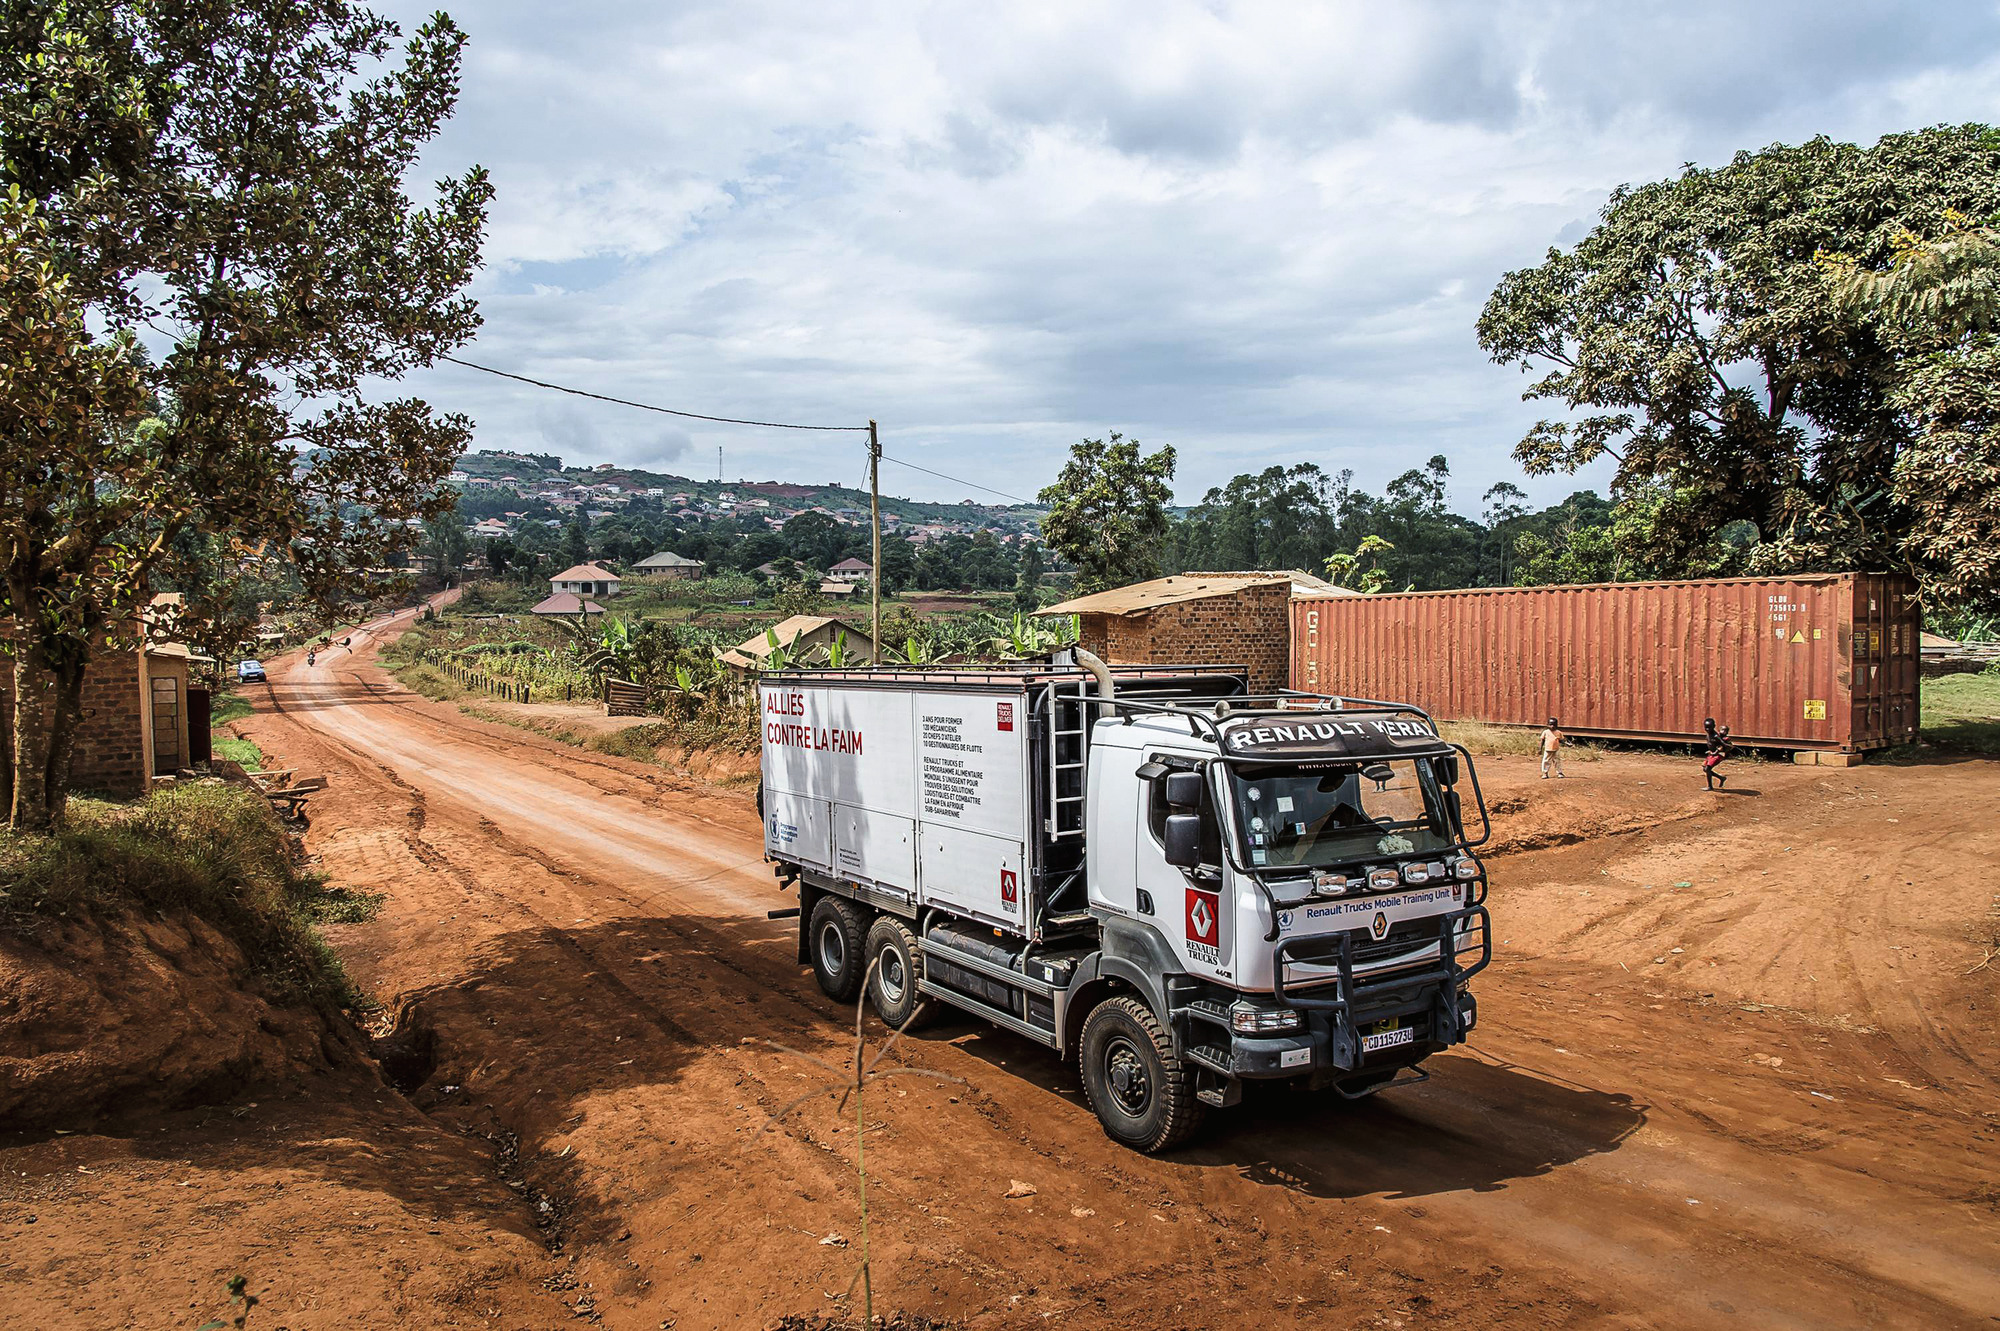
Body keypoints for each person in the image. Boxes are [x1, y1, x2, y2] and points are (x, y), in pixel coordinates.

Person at [1703, 719, 1735, 791]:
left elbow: (1723, 745)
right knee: (1705, 769)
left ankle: (1710, 787)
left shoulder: (1715, 736)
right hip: (1712, 754)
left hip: (1717, 754)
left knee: (1707, 768)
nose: (1707, 729)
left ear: (1713, 726)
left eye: (1709, 727)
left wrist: (1729, 746)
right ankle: (1721, 778)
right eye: (1706, 727)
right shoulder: (1709, 734)